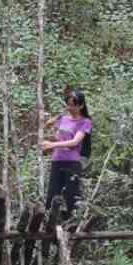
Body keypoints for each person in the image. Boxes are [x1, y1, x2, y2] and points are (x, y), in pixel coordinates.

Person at [42, 90, 92, 218]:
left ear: (80, 106)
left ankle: (73, 227)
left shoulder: (85, 122)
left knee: (72, 196)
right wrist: (51, 127)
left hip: (72, 163)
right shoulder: (63, 119)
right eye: (68, 104)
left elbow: (75, 141)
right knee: (52, 194)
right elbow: (60, 138)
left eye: (72, 105)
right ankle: (50, 223)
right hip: (57, 160)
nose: (69, 107)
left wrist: (52, 145)